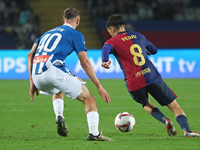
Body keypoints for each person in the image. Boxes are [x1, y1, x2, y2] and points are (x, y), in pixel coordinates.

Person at [101, 14, 200, 137]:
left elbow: (106, 49)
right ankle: (187, 131)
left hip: (134, 82)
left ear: (112, 29)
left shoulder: (111, 41)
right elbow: (154, 50)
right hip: (152, 77)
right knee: (174, 106)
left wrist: (105, 60)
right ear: (124, 26)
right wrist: (144, 52)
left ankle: (165, 120)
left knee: (146, 104)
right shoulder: (138, 35)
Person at [27, 7, 113, 141]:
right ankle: (94, 134)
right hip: (53, 70)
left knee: (58, 88)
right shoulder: (75, 34)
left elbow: (30, 54)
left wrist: (32, 81)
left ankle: (59, 115)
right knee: (89, 99)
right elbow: (85, 62)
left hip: (37, 75)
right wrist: (99, 86)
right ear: (78, 20)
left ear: (63, 20)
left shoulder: (46, 33)